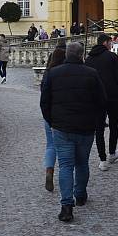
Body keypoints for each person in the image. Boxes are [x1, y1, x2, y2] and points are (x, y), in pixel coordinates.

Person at [40, 41, 107, 222]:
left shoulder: (53, 73)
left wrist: (52, 120)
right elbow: (102, 101)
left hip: (62, 128)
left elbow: (44, 101)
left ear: (67, 54)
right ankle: (80, 194)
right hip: (85, 128)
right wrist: (95, 121)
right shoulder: (91, 74)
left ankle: (66, 205)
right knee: (82, 163)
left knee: (66, 165)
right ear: (81, 55)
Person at [85, 33, 118, 171]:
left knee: (99, 128)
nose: (111, 44)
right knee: (114, 125)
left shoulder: (89, 59)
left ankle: (102, 160)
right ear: (105, 43)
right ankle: (112, 153)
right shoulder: (112, 57)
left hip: (96, 98)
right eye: (110, 42)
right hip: (112, 96)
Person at [40, 43, 66, 192]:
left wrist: (47, 117)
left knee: (50, 145)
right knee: (65, 147)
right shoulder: (66, 73)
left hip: (49, 115)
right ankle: (65, 174)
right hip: (63, 116)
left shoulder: (48, 73)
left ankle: (49, 171)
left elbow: (44, 98)